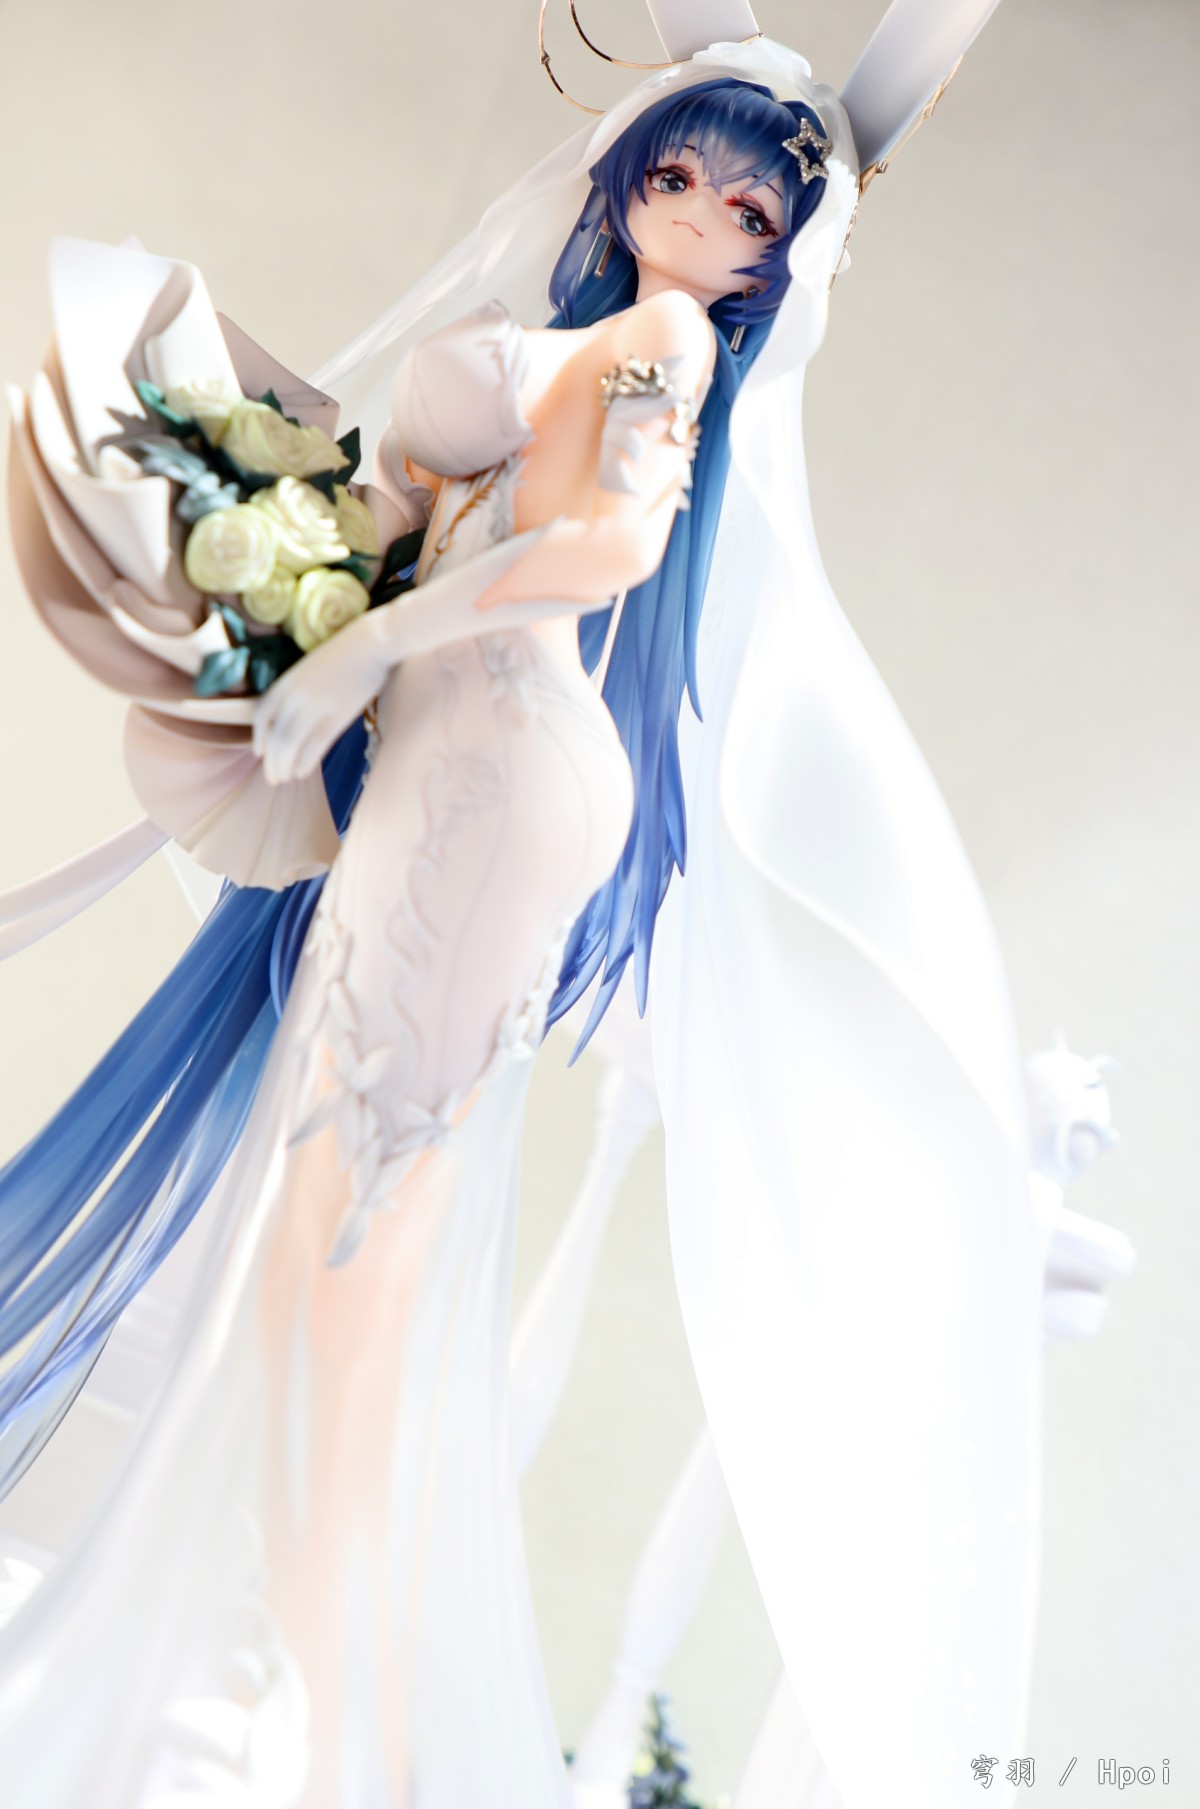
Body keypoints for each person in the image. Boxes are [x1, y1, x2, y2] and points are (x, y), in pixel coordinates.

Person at [0, 8, 1045, 1808]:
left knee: (352, 1239)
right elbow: (437, 505)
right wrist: (287, 522)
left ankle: (331, 1711)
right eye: (682, 172)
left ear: (777, 260)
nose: (704, 212)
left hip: (500, 769)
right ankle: (310, 1686)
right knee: (317, 1240)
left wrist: (374, 649)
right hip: (450, 760)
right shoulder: (587, 326)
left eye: (752, 209)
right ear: (628, 169)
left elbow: (611, 546)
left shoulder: (666, 344)